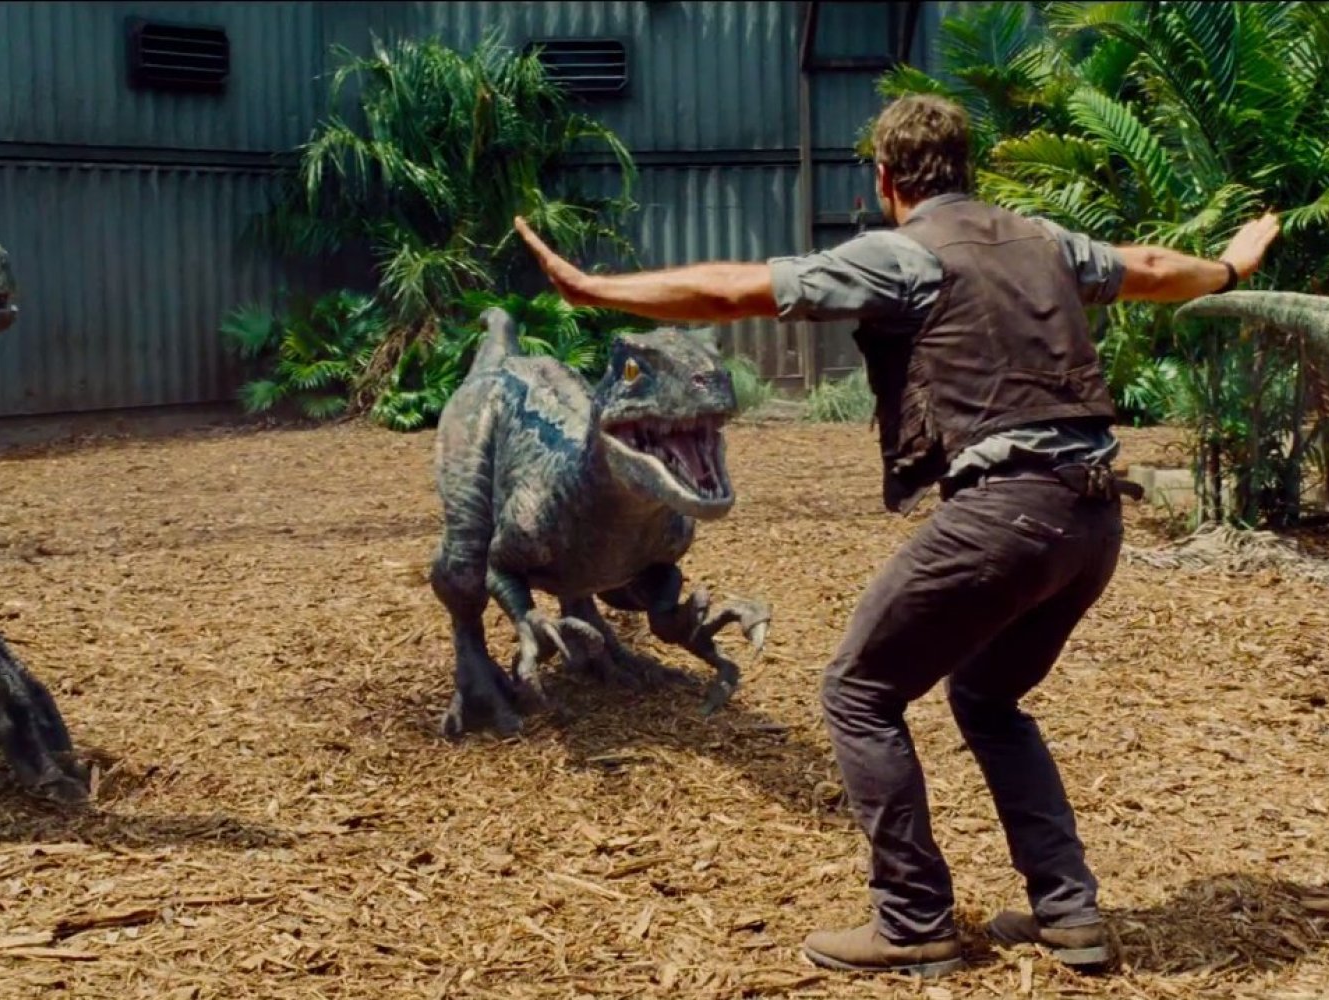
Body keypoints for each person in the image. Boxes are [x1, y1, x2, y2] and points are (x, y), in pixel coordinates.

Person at [512, 93, 1281, 978]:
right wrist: (1229, 266)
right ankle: (1069, 913)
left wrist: (595, 289)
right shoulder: (1042, 239)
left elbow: (736, 289)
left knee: (857, 691)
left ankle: (913, 920)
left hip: (1008, 512)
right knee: (987, 696)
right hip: (1092, 519)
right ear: (966, 168)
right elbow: (1147, 265)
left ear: (885, 180)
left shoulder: (903, 254)